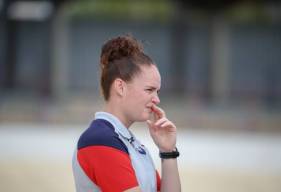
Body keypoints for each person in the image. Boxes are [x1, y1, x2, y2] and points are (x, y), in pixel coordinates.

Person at [72, 34, 181, 192]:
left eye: (157, 91)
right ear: (120, 87)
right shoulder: (100, 139)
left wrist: (168, 152)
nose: (156, 99)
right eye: (149, 90)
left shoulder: (130, 143)